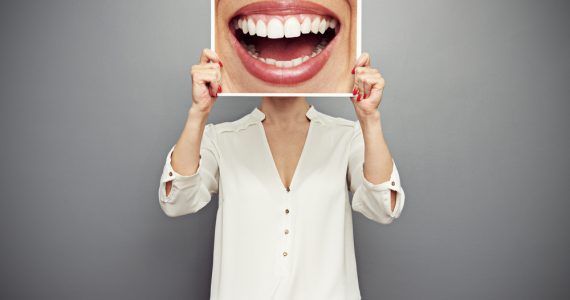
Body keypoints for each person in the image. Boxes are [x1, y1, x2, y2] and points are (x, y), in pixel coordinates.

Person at [157, 48, 405, 300]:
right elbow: (177, 201)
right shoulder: (220, 138)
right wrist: (198, 112)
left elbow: (383, 206)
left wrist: (370, 118)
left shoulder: (346, 136)